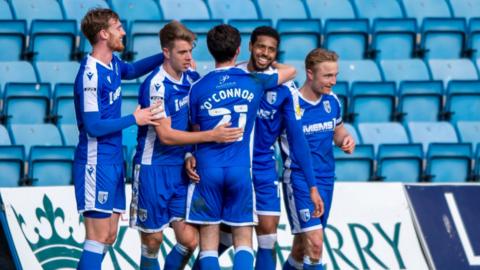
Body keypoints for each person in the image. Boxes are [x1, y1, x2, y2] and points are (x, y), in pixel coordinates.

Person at [186, 26, 323, 270]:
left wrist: (312, 184)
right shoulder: (242, 76)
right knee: (231, 237)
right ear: (248, 47)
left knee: (267, 236)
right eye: (261, 47)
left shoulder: (284, 89)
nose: (265, 53)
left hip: (261, 166)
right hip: (237, 166)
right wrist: (190, 153)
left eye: (272, 50)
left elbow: (297, 139)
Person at [129, 21, 243, 270]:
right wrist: (211, 136)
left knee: (190, 240)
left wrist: (191, 153)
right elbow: (166, 136)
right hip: (153, 169)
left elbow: (195, 120)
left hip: (181, 171)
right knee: (152, 241)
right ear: (166, 52)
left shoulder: (192, 78)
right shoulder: (156, 85)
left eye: (190, 51)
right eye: (182, 52)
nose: (189, 57)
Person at [73, 8, 165, 270]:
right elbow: (93, 126)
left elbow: (134, 69)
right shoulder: (90, 75)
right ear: (104, 33)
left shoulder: (112, 63)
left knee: (109, 236)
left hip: (113, 161)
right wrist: (133, 119)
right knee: (97, 237)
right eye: (118, 27)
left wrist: (166, 54)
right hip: (95, 161)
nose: (123, 31)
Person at [281, 48, 355, 270]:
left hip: (325, 179)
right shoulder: (290, 103)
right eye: (327, 76)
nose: (332, 81)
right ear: (310, 73)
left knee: (301, 248)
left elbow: (338, 130)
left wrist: (345, 139)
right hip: (299, 179)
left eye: (335, 75)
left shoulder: (332, 101)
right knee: (315, 244)